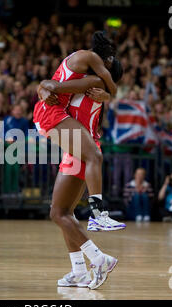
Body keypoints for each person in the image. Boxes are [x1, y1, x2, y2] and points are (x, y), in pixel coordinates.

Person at [37, 63, 123, 289]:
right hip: (77, 147)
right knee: (63, 213)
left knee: (58, 213)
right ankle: (78, 271)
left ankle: (98, 259)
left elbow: (55, 85)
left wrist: (46, 87)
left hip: (81, 150)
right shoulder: (94, 87)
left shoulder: (92, 83)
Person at [34, 31, 125, 232]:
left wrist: (43, 87)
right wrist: (110, 93)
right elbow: (54, 86)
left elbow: (50, 84)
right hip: (52, 116)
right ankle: (98, 215)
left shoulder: (83, 70)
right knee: (94, 157)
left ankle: (85, 261)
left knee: (63, 213)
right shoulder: (94, 74)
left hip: (59, 122)